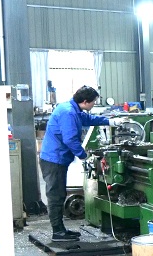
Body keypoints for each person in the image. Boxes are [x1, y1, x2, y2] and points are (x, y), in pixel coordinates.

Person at [39, 86, 112, 242]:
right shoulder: (68, 112)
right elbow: (70, 139)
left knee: (58, 194)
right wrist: (84, 156)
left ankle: (60, 230)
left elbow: (88, 119)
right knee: (56, 196)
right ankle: (58, 232)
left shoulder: (72, 109)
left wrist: (110, 121)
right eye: (93, 102)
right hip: (54, 160)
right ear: (85, 101)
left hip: (57, 158)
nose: (94, 104)